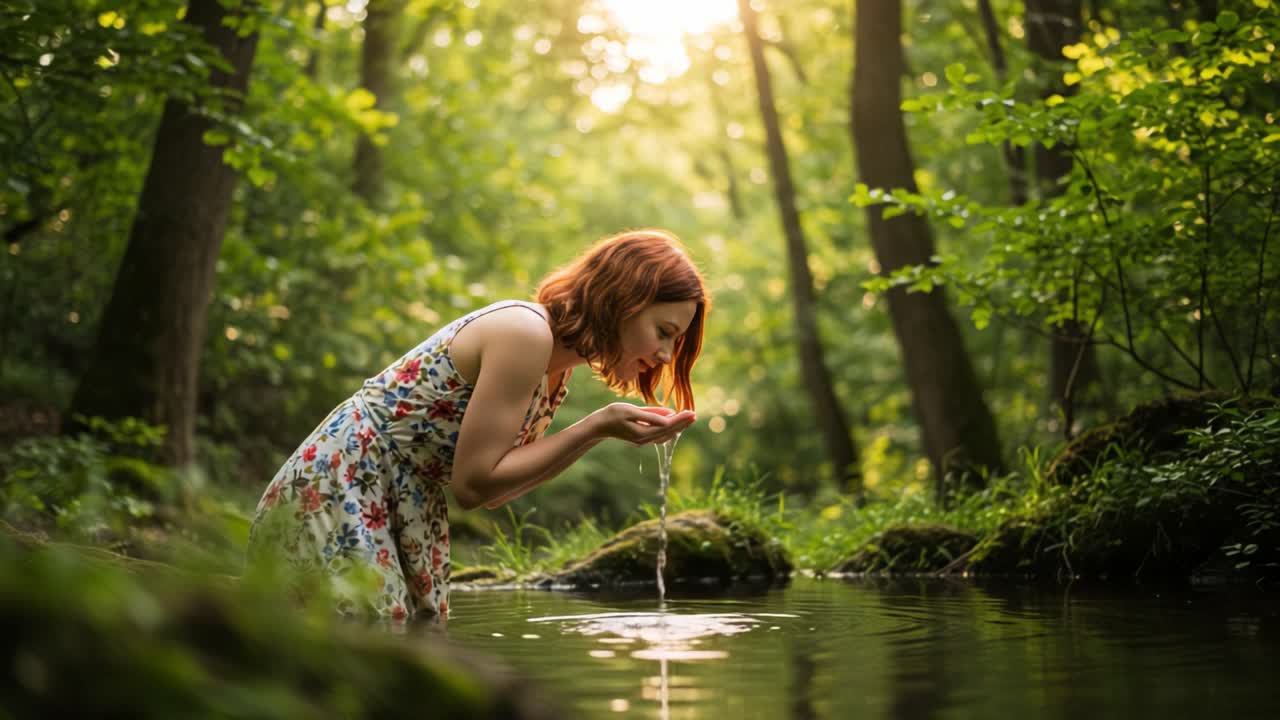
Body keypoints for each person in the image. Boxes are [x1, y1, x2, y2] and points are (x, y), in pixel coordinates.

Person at [248, 229, 708, 620]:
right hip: (344, 484)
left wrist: (597, 431)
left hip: (402, 498)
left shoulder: (555, 370)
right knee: (353, 654)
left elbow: (494, 494)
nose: (666, 355)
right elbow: (472, 485)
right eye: (663, 331)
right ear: (622, 300)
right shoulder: (524, 333)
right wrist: (596, 426)